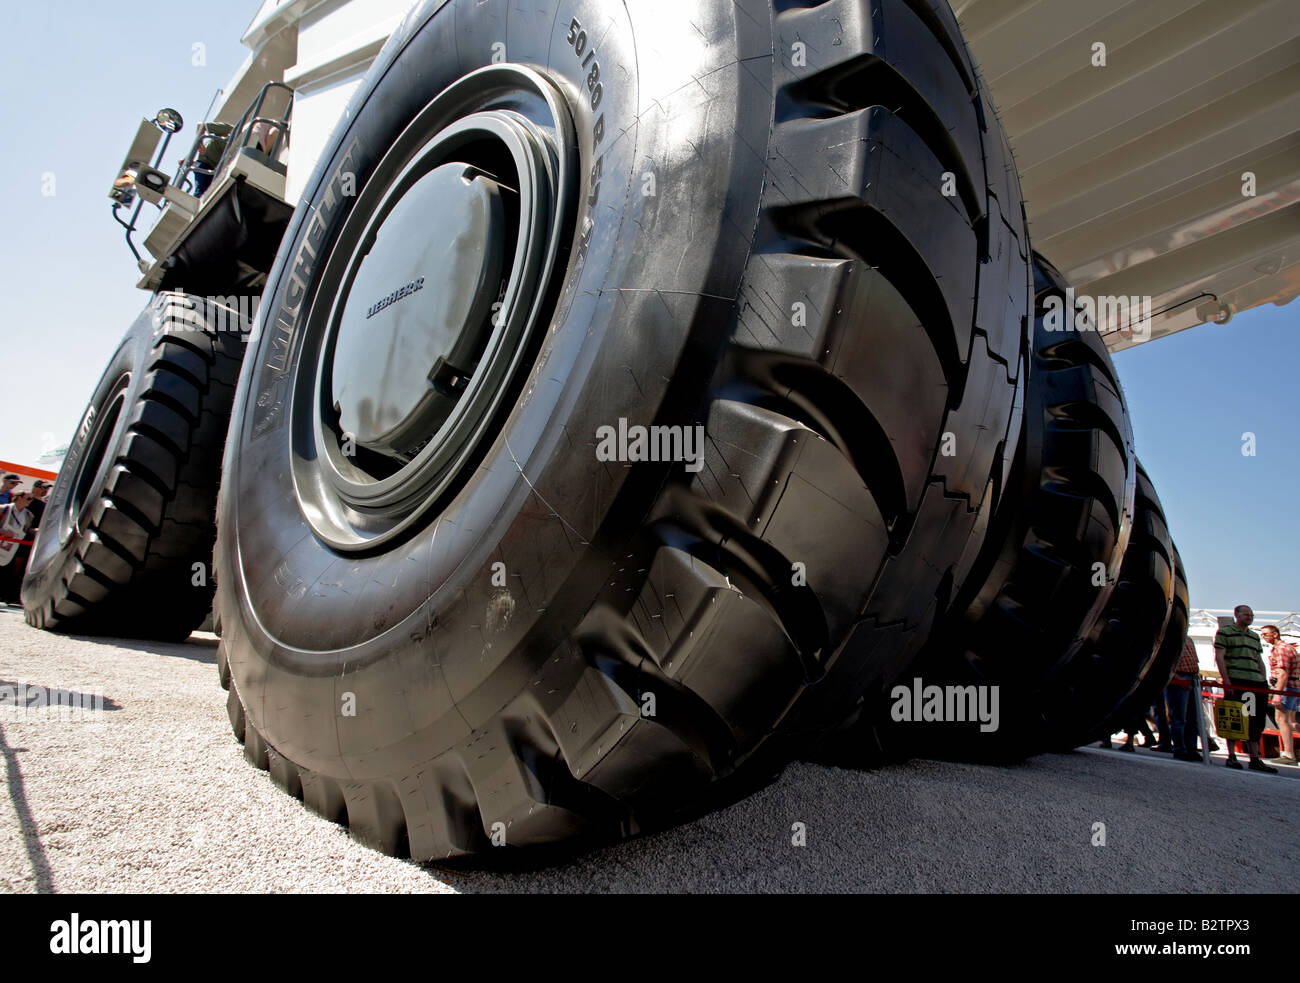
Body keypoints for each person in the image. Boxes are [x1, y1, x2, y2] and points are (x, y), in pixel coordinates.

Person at [1214, 605, 1277, 773]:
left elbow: (1258, 658)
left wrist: (1263, 679)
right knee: (1234, 717)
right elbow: (1219, 656)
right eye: (1246, 614)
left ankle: (1254, 758)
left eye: (1251, 615)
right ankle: (1232, 756)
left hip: (1255, 682)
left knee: (1256, 720)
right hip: (1236, 680)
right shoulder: (1225, 633)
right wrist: (1227, 681)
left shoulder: (1254, 637)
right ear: (1237, 615)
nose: (1250, 617)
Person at [1260, 625, 1298, 765]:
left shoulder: (1281, 649)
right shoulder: (1287, 648)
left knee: (1281, 719)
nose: (1263, 636)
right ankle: (1290, 753)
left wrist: (1277, 693)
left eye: (1265, 634)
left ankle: (1289, 754)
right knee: (1292, 721)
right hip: (1293, 687)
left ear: (1275, 634)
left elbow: (1283, 673)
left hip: (1287, 687)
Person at [1167, 636, 1205, 761]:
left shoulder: (1188, 639)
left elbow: (1195, 660)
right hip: (1180, 677)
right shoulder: (1171, 638)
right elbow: (1165, 661)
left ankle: (1191, 749)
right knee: (1179, 716)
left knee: (1192, 718)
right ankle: (1180, 748)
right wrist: (1177, 678)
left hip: (1192, 677)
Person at [0, 490, 34, 603]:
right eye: (28, 498)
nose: (30, 501)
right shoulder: (3, 509)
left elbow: (27, 530)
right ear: (18, 497)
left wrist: (35, 532)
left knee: (5, 573)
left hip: (12, 548)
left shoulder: (28, 515)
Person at [191, 121, 234, 197]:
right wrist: (200, 144)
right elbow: (201, 125)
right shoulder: (229, 129)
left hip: (215, 170)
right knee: (201, 193)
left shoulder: (241, 147)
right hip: (204, 163)